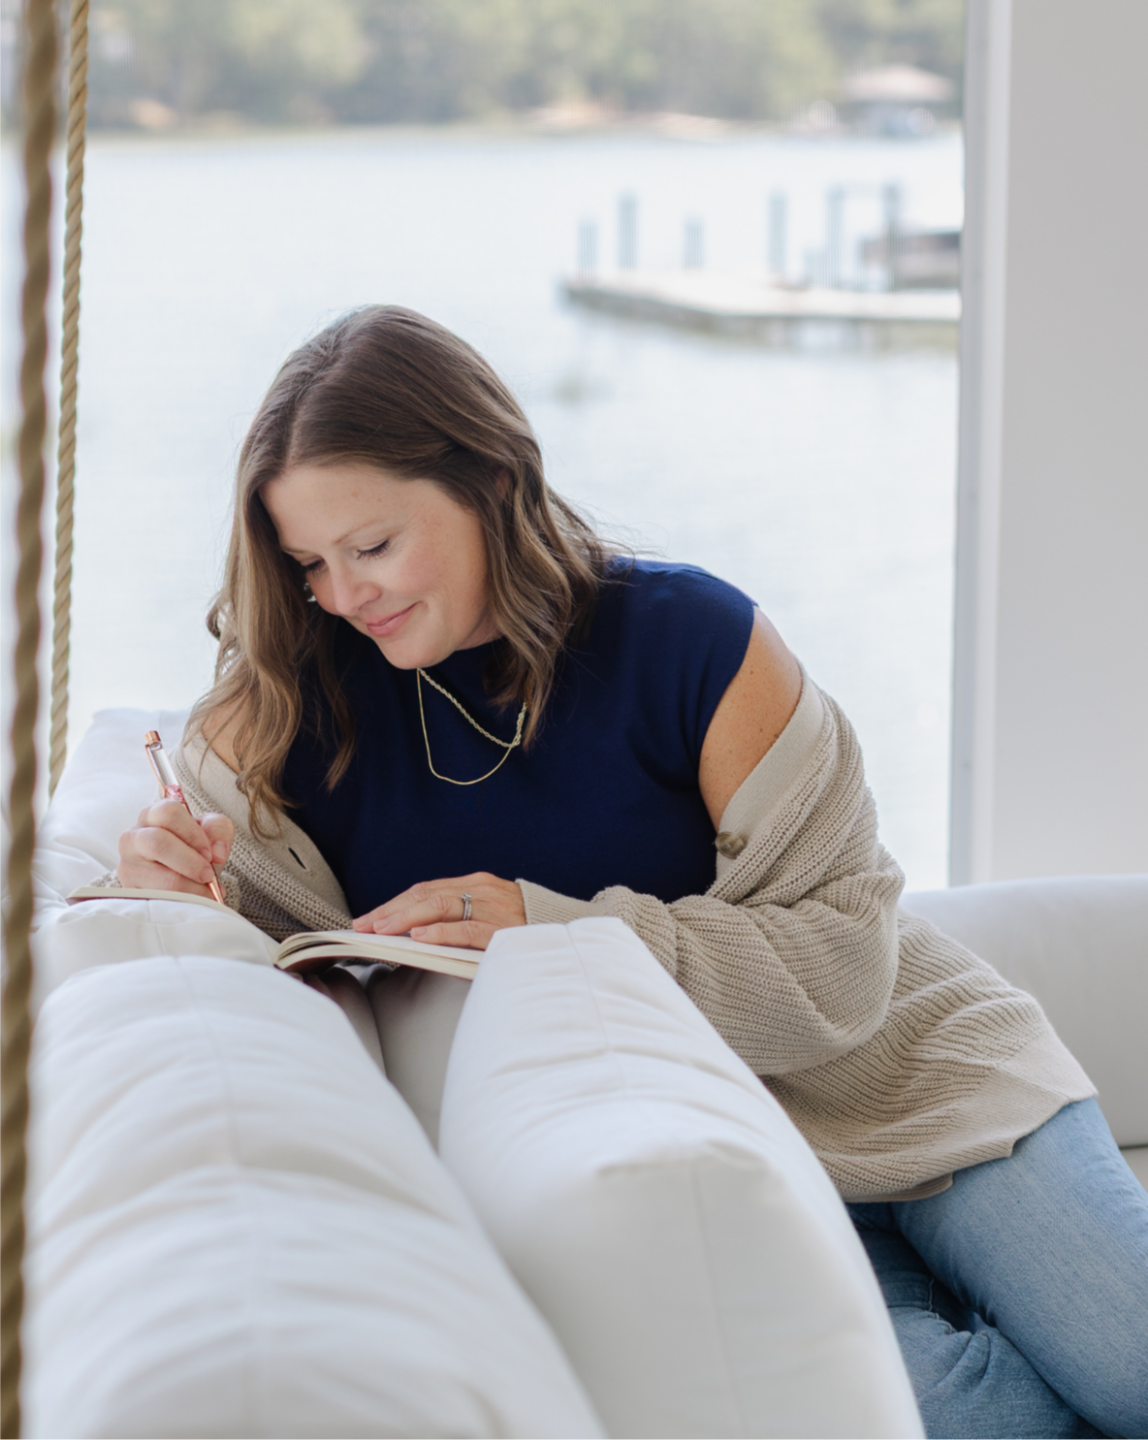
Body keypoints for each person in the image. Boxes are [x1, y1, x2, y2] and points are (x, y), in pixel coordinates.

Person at [115, 304, 1148, 1440]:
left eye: (372, 547)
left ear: (492, 481)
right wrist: (167, 886)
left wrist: (552, 934)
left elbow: (848, 959)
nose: (344, 597)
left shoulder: (692, 642)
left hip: (915, 1079)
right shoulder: (284, 720)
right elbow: (277, 945)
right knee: (969, 1421)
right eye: (307, 563)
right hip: (727, 1165)